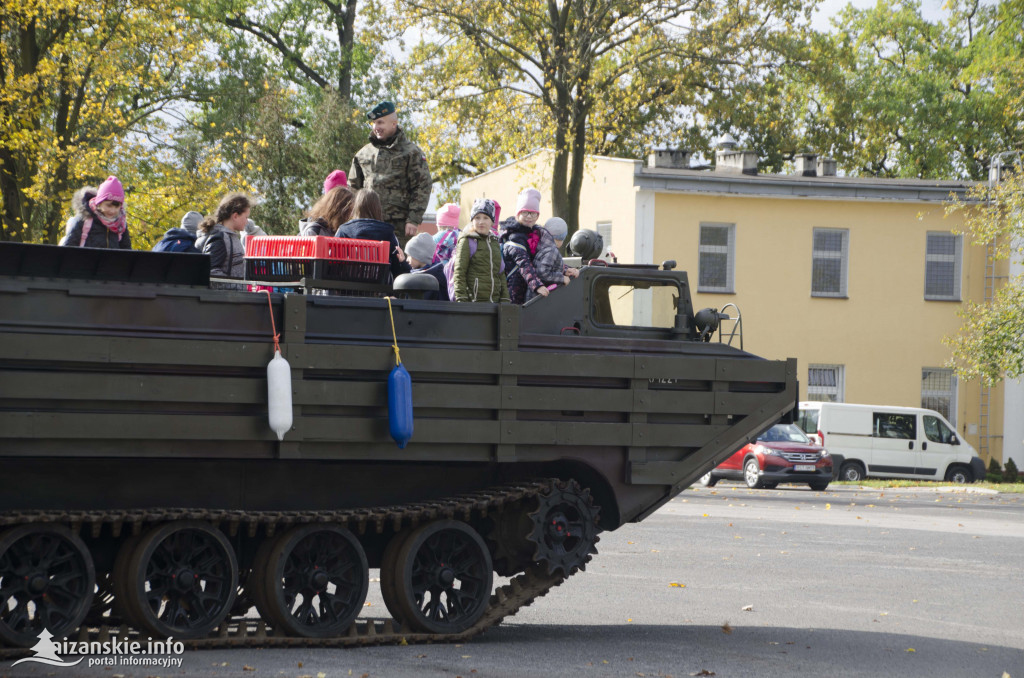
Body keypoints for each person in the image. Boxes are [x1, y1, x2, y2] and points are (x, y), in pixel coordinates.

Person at [348, 100, 432, 247]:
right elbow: (353, 188)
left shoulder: (411, 153)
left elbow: (422, 186)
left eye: (380, 123)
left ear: (394, 124)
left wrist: (413, 219)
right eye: (374, 123)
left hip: (398, 228)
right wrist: (352, 220)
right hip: (367, 225)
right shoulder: (363, 154)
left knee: (397, 268)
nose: (376, 127)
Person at [334, 188, 411, 280]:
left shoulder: (344, 230)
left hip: (347, 289)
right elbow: (397, 270)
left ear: (356, 207)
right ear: (377, 208)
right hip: (380, 290)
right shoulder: (388, 233)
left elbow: (333, 263)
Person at [450, 198, 509, 303]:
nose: (481, 222)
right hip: (473, 303)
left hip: (494, 303)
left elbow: (500, 273)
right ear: (472, 220)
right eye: (477, 218)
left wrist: (505, 298)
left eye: (486, 218)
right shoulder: (467, 240)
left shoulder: (495, 242)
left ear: (492, 221)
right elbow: (459, 272)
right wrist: (461, 299)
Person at [499, 188, 550, 305]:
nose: (529, 216)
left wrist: (566, 269)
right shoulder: (515, 237)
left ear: (537, 216)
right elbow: (524, 263)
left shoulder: (532, 235)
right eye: (525, 212)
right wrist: (536, 285)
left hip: (524, 289)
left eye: (533, 213)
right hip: (512, 291)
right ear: (518, 214)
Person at [196, 192, 251, 289]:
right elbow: (212, 273)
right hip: (225, 301)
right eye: (246, 217)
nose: (247, 221)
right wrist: (237, 288)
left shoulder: (230, 236)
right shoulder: (220, 238)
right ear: (235, 216)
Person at [61, 176, 132, 249]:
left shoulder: (120, 225)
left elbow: (127, 253)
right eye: (109, 206)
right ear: (99, 203)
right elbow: (67, 250)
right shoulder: (85, 220)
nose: (112, 211)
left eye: (117, 207)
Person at [525, 216, 579, 301]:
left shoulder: (542, 245)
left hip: (533, 295)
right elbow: (543, 272)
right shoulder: (552, 251)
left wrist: (565, 270)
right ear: (561, 238)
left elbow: (549, 266)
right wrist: (561, 278)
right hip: (539, 299)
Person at [405, 231, 449, 301]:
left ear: (419, 255)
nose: (407, 260)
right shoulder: (428, 273)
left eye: (409, 255)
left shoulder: (433, 278)